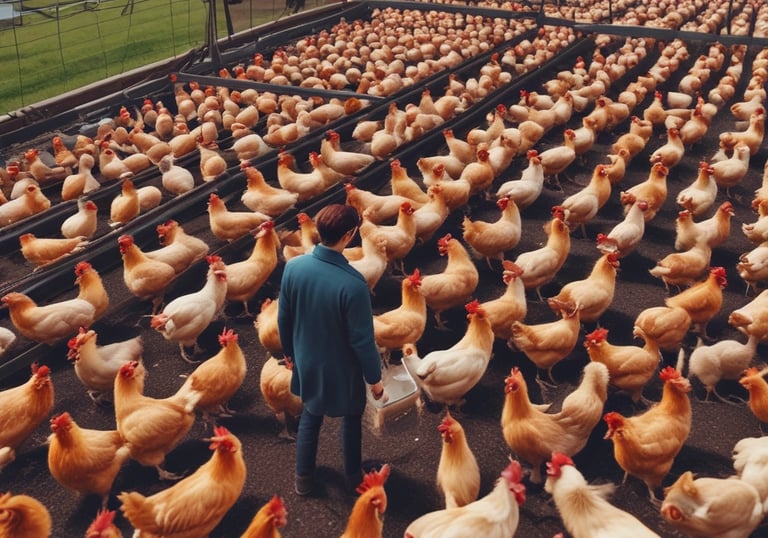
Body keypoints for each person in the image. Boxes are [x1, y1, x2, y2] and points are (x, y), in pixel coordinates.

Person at [277, 203, 385, 496]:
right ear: (349, 235)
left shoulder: (294, 267)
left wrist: (289, 353)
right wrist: (375, 380)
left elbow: (284, 316)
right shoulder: (353, 284)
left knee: (311, 417)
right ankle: (352, 477)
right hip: (342, 369)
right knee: (351, 420)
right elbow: (362, 341)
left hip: (307, 359)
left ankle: (303, 479)